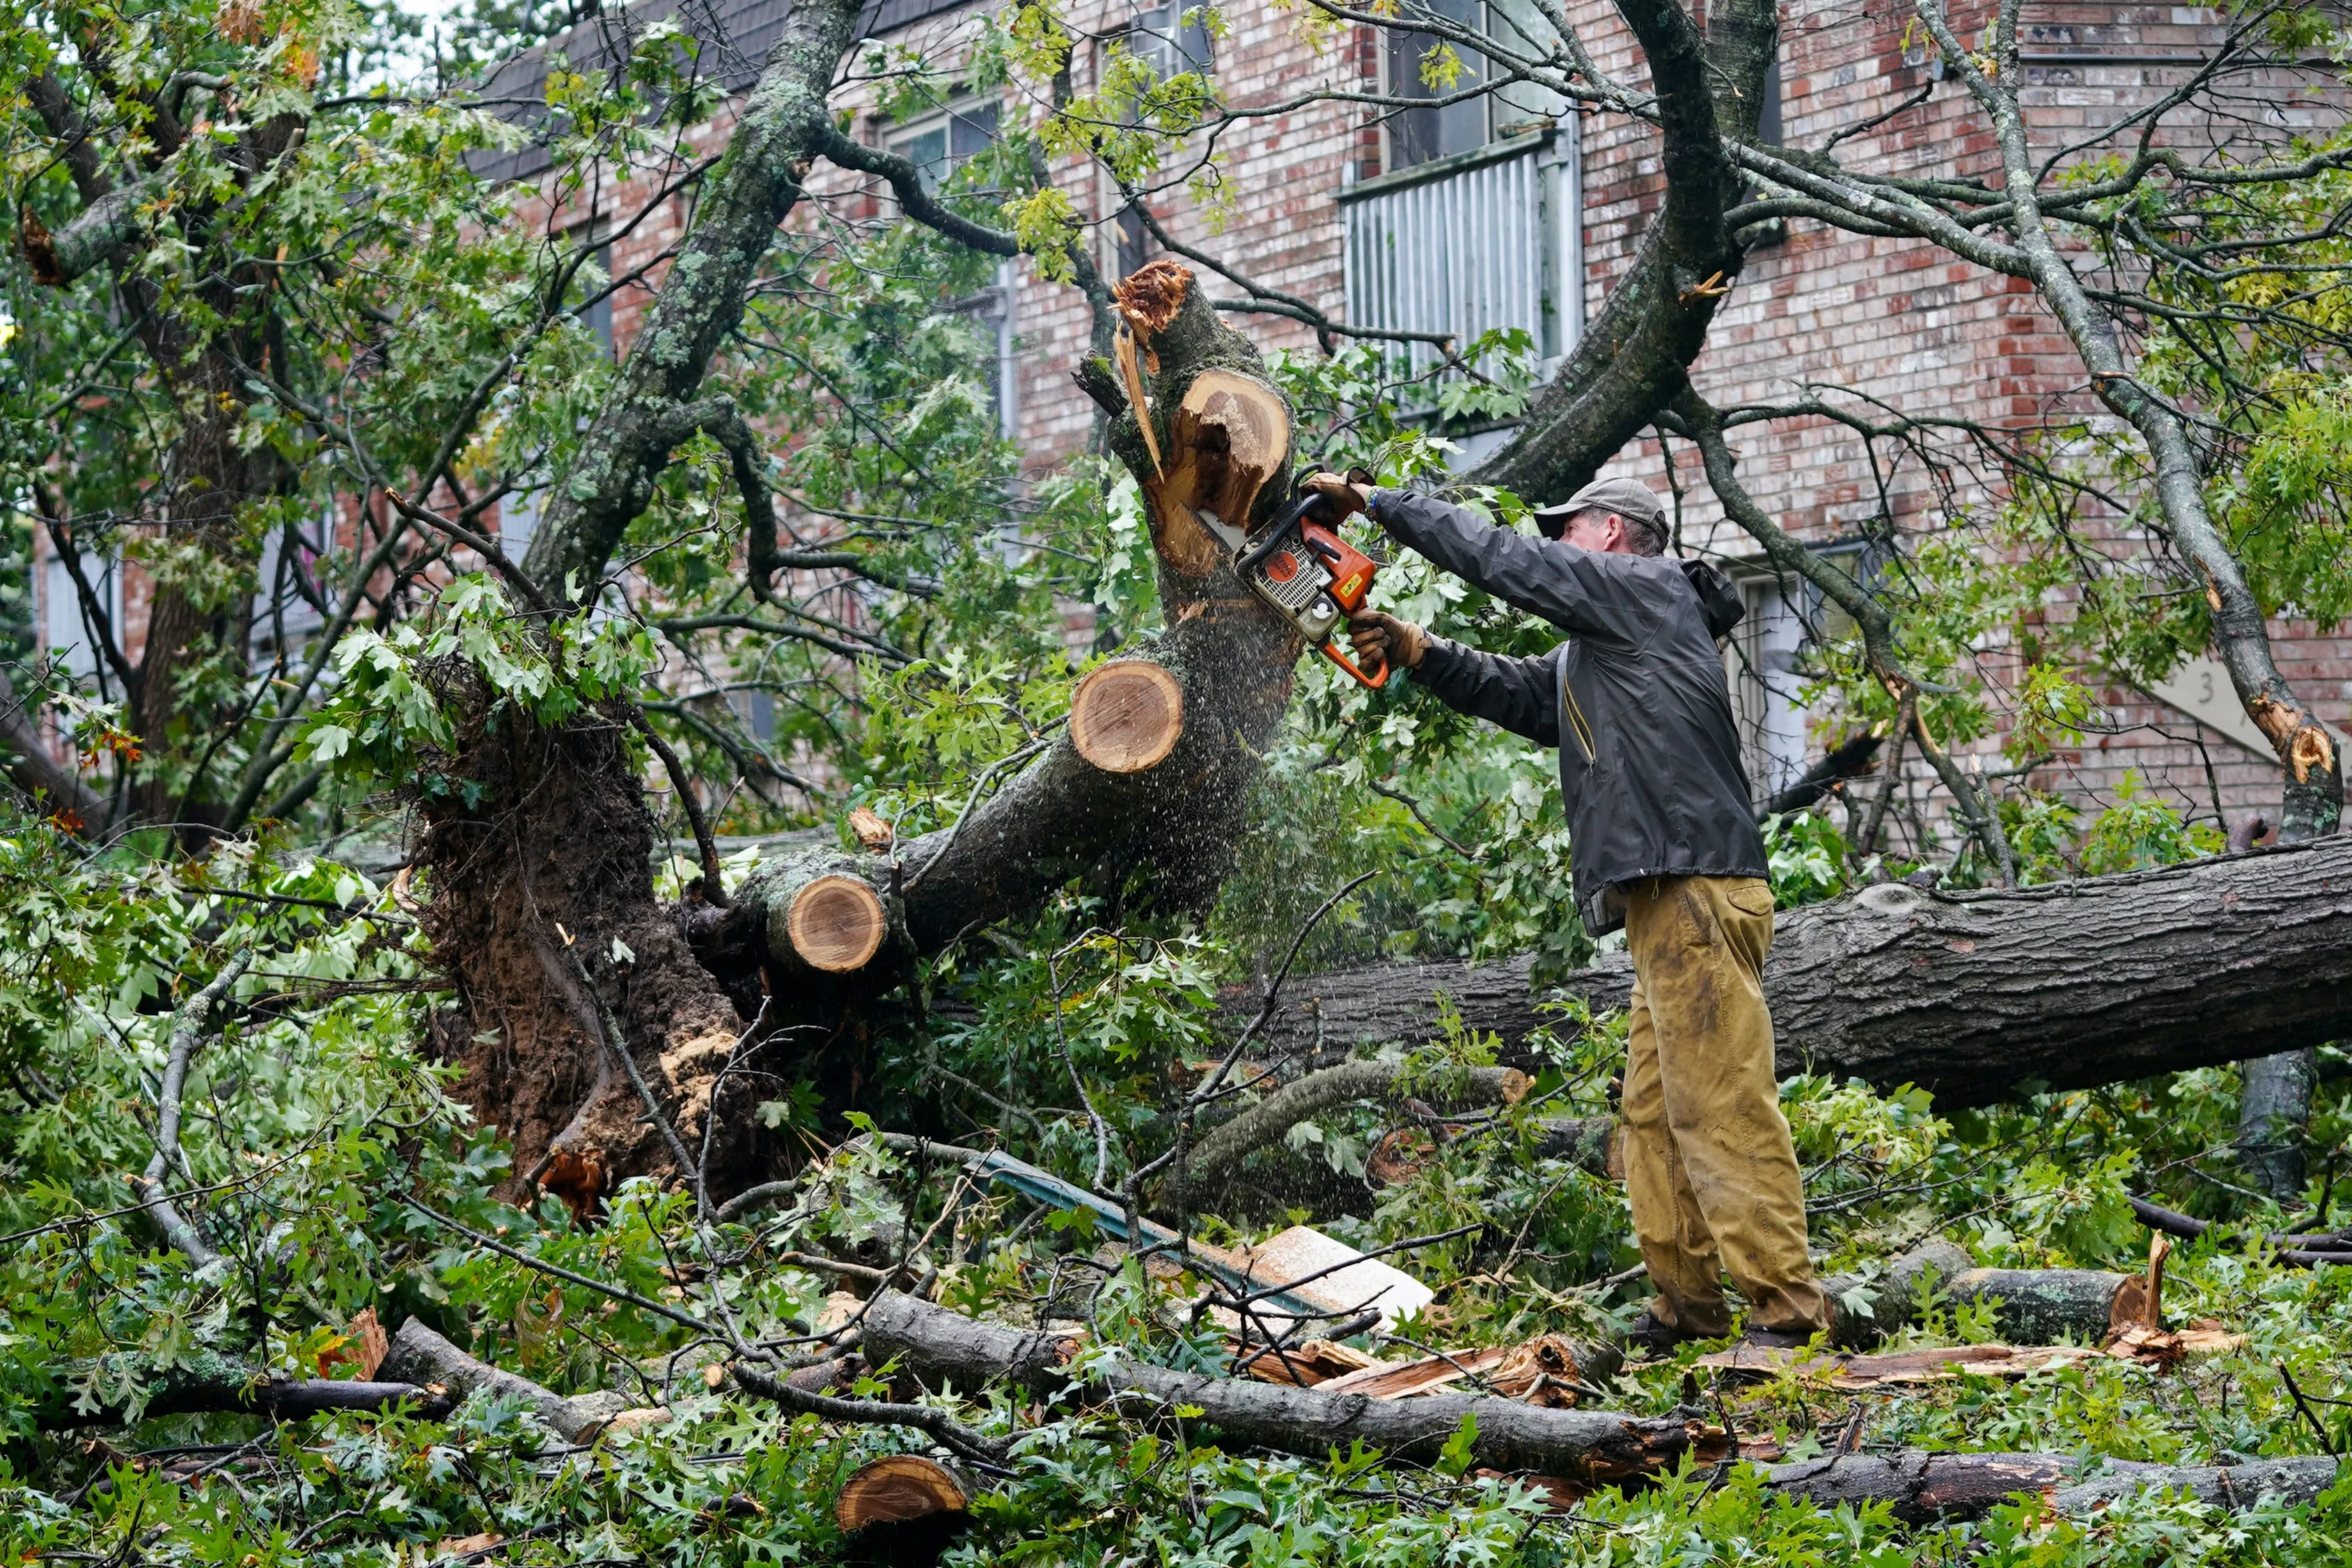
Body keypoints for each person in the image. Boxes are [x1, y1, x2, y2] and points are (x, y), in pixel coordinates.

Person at [1303, 471, 1832, 1353]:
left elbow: (1509, 562)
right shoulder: (1613, 646)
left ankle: (1790, 1316)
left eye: (1570, 529)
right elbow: (1521, 694)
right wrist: (1418, 648)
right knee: (1655, 1117)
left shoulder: (1646, 590)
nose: (1557, 545)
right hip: (1666, 901)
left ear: (1614, 533)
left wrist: (1379, 501)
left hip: (1692, 885)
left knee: (1722, 1106)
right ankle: (1685, 1311)